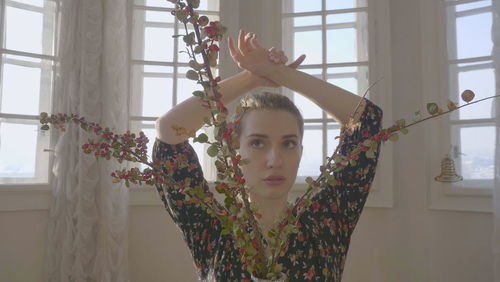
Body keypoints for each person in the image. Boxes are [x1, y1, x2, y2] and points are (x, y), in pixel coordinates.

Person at [153, 30, 383, 281]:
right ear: (234, 151)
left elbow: (367, 119)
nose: (275, 160)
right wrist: (251, 77)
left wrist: (280, 74)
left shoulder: (326, 222)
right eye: (258, 143)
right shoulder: (212, 229)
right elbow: (168, 131)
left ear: (300, 151)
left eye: (288, 144)